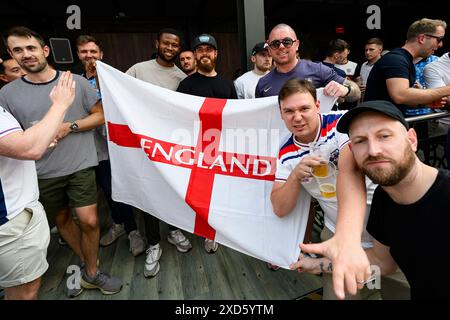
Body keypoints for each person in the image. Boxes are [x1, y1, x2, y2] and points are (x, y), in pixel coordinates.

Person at [0, 26, 122, 297]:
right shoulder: (7, 95)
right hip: (40, 171)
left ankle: (92, 272)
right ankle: (84, 262)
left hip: (79, 164)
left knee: (89, 221)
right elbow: (14, 139)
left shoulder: (74, 82)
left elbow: (101, 115)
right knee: (62, 220)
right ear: (11, 55)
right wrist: (37, 136)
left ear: (44, 50)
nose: (26, 55)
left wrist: (71, 126)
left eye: (31, 48)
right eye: (17, 50)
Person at [295, 100, 450, 300]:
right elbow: (382, 263)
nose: (373, 150)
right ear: (352, 151)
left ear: (412, 140)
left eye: (384, 136)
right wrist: (316, 265)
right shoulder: (383, 199)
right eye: (360, 141)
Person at [270, 78, 391, 300]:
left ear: (317, 106)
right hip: (335, 234)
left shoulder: (341, 123)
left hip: (386, 230)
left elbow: (351, 172)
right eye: (289, 111)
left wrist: (348, 239)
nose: (297, 117)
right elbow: (279, 207)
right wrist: (295, 175)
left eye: (304, 108)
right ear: (281, 114)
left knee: (399, 290)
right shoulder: (285, 153)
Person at [0, 71, 75, 300]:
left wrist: (36, 139)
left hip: (15, 212)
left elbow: (20, 145)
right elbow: (29, 149)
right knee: (25, 291)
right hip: (10, 218)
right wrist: (60, 104)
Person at [126, 28, 192, 278]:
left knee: (173, 192)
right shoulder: (138, 69)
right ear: (157, 44)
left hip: (171, 148)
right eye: (166, 43)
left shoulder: (181, 77)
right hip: (142, 146)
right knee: (149, 195)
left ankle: (174, 230)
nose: (170, 48)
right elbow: (119, 93)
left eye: (175, 45)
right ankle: (154, 243)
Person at [75, 35, 146, 257]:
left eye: (93, 52)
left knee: (115, 187)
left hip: (112, 145)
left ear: (101, 55)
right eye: (84, 52)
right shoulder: (74, 82)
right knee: (103, 191)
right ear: (78, 55)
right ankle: (118, 224)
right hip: (85, 146)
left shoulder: (114, 79)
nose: (89, 56)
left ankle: (133, 231)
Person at [177, 33, 237, 253]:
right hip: (197, 148)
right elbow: (180, 118)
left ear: (215, 54)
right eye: (200, 50)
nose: (204, 54)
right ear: (195, 55)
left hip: (224, 147)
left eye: (208, 50)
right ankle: (205, 232)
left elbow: (236, 116)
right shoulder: (185, 85)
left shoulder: (227, 84)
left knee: (222, 192)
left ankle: (219, 231)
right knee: (201, 194)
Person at [255, 23, 360, 103]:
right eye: (275, 43)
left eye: (287, 42)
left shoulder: (318, 70)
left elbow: (356, 93)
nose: (281, 47)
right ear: (269, 49)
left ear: (297, 45)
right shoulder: (263, 83)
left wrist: (346, 90)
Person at [364, 18, 450, 114]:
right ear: (422, 39)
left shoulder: (404, 60)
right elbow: (400, 95)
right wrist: (447, 90)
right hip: (377, 124)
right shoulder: (396, 60)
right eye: (439, 39)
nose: (441, 44)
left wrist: (423, 102)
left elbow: (396, 99)